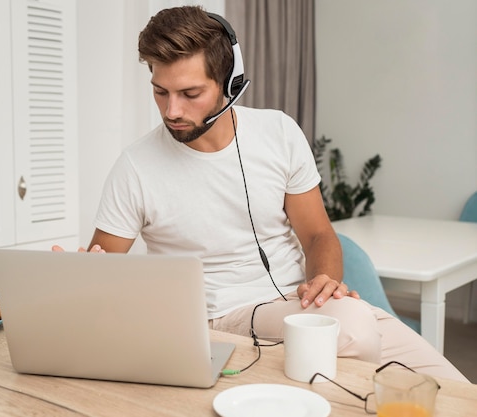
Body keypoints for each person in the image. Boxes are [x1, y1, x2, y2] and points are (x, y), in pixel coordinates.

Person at [56, 5, 468, 382]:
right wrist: (81, 279)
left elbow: (318, 235)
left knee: (454, 388)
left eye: (190, 93)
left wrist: (324, 281)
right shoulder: (135, 167)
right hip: (218, 318)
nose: (172, 111)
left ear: (230, 83)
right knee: (356, 330)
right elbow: (104, 271)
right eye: (160, 91)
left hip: (299, 304)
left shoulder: (278, 132)